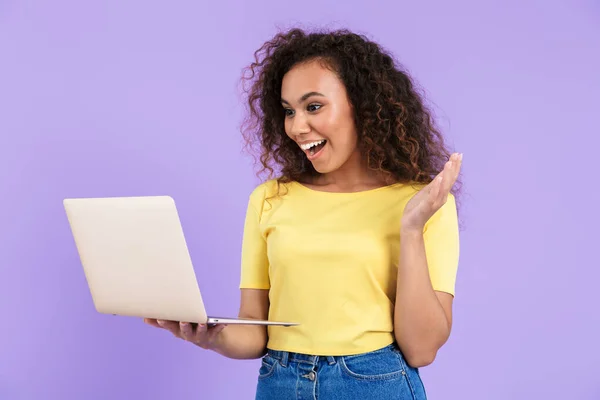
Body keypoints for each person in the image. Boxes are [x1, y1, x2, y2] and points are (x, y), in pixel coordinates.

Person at [144, 27, 463, 400]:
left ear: (361, 104)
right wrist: (212, 335)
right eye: (288, 111)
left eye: (313, 107)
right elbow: (254, 329)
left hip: (375, 383)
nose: (297, 126)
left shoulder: (423, 203)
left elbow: (421, 349)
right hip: (280, 381)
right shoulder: (270, 199)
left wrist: (410, 229)